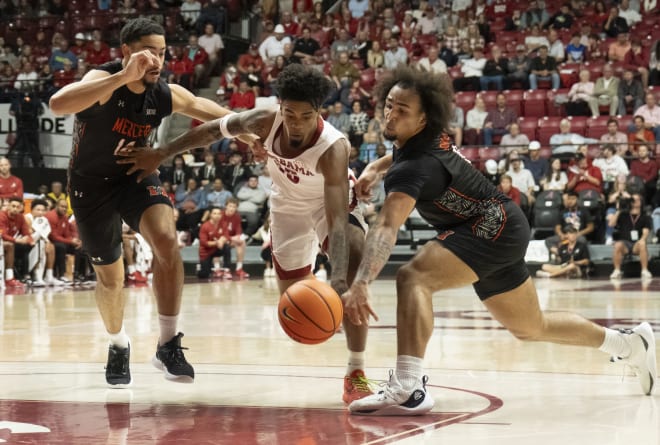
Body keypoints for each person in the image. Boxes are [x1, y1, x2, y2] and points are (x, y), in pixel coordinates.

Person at [339, 66, 656, 416]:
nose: (391, 114)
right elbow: (399, 155)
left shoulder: (414, 167)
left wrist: (363, 281)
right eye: (389, 104)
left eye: (402, 111)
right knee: (531, 327)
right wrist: (374, 168)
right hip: (502, 224)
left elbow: (386, 225)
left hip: (491, 227)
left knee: (413, 277)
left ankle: (408, 386)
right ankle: (629, 345)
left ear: (422, 119)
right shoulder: (424, 140)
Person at [116, 63, 373, 404]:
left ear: (319, 112)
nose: (296, 123)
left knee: (352, 261)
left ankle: (356, 372)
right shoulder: (263, 120)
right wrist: (161, 153)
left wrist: (339, 279)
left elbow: (338, 220)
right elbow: (210, 131)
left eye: (306, 116)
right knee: (296, 304)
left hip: (330, 207)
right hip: (286, 208)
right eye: (290, 114)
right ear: (280, 107)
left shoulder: (333, 147)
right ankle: (322, 309)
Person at [48, 18, 240, 387]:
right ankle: (118, 342)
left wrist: (250, 130)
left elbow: (201, 105)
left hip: (135, 175)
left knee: (166, 241)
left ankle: (167, 343)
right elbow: (58, 103)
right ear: (126, 52)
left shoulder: (162, 93)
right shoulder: (100, 81)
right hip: (90, 187)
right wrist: (122, 76)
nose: (157, 60)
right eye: (149, 51)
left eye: (163, 52)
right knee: (111, 279)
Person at [607, 193, 653, 279]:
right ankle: (617, 271)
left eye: (637, 200)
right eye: (633, 200)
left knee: (642, 243)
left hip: (637, 244)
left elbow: (645, 232)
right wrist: (619, 210)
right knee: (617, 245)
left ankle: (644, 270)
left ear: (641, 202)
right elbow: (611, 224)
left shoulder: (645, 217)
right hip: (625, 243)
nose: (634, 201)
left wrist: (642, 240)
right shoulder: (623, 214)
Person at [0, 197, 33, 288]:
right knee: (10, 246)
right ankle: (9, 278)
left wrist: (28, 239)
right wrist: (17, 240)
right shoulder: (2, 216)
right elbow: (3, 235)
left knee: (27, 247)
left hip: (10, 242)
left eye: (18, 207)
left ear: (21, 208)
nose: (15, 209)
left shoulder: (20, 217)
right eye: (13, 206)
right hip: (3, 241)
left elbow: (26, 232)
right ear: (8, 206)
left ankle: (26, 275)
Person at [197, 206, 231, 279]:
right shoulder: (205, 226)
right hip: (206, 252)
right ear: (210, 215)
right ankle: (200, 268)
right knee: (204, 274)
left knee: (227, 247)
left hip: (217, 249)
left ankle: (226, 270)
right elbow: (204, 243)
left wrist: (222, 240)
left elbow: (227, 236)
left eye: (219, 214)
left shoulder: (223, 224)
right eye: (215, 213)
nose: (217, 215)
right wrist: (217, 243)